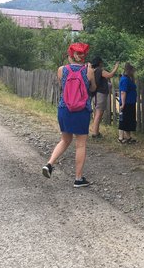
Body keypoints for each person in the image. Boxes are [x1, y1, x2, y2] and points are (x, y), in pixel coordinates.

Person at [42, 42, 96, 188]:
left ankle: (50, 164)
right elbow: (93, 87)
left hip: (64, 108)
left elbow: (63, 85)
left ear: (71, 55)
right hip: (81, 110)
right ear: (84, 55)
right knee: (80, 144)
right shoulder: (88, 71)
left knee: (65, 140)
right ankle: (78, 178)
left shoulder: (61, 70)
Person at [90, 56, 120, 139]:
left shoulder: (93, 71)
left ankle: (95, 131)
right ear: (99, 63)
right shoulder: (99, 70)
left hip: (96, 94)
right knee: (99, 113)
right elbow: (110, 75)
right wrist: (116, 67)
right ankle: (95, 133)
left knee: (97, 113)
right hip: (100, 94)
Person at [118, 63, 138, 144]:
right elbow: (123, 92)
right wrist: (123, 104)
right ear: (129, 70)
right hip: (126, 103)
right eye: (132, 70)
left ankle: (128, 137)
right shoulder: (125, 80)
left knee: (129, 120)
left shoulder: (128, 79)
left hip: (130, 103)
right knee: (123, 120)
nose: (133, 72)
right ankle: (120, 137)